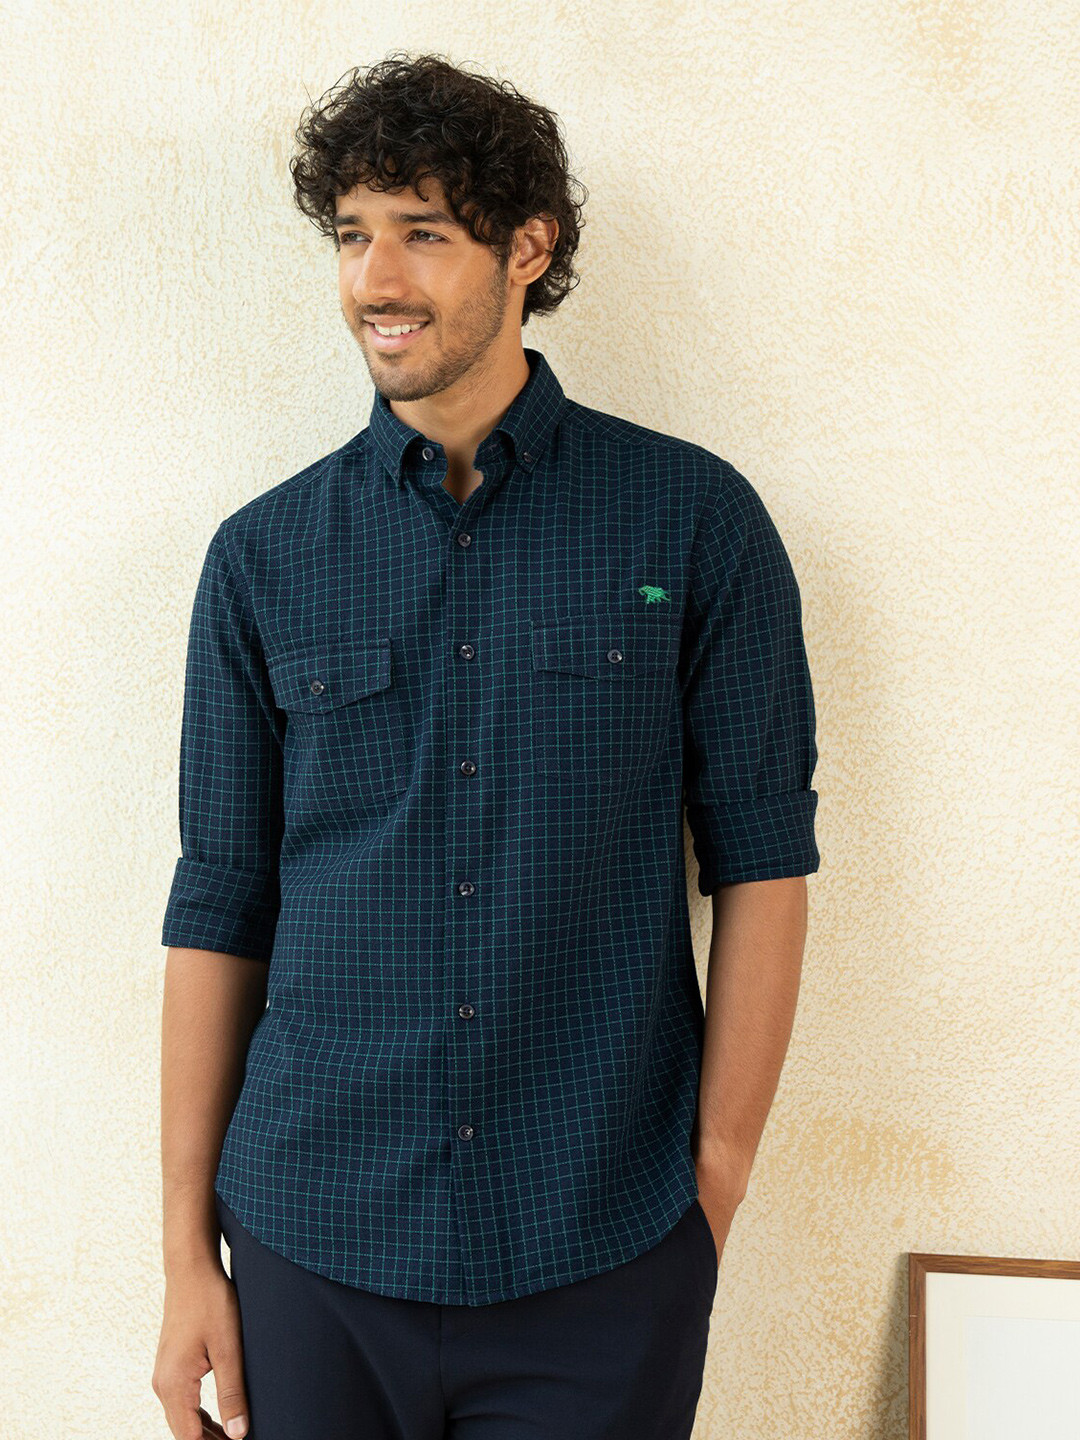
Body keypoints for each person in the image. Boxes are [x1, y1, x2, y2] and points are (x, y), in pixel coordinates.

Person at [152, 50, 820, 1440]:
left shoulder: (694, 523)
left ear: (529, 247)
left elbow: (762, 861)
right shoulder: (262, 557)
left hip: (604, 1244)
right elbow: (220, 900)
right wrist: (183, 1259)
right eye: (352, 234)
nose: (376, 279)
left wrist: (713, 1184)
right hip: (309, 1240)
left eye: (424, 233)